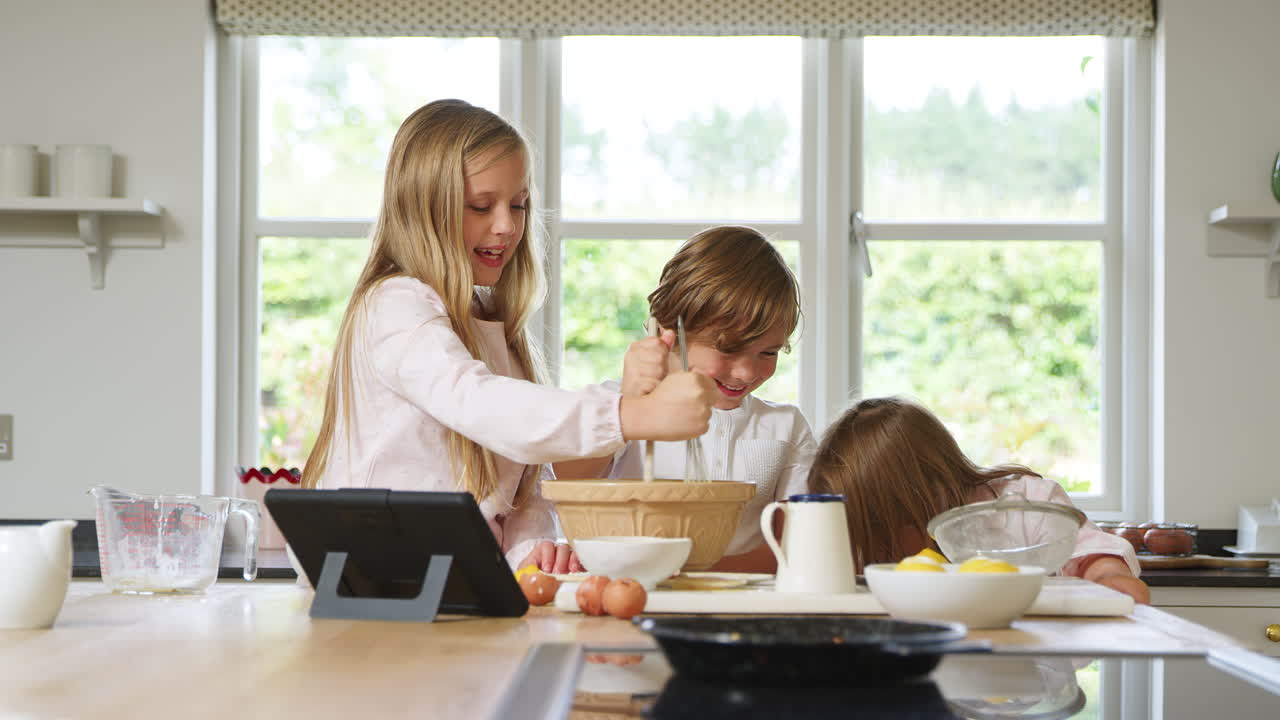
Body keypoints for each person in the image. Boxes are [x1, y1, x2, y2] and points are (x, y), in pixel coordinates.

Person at [301, 99, 717, 574]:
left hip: (454, 582)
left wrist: (529, 558)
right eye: (481, 206)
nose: (507, 226)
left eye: (518, 205)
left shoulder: (490, 324)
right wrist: (631, 415)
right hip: (377, 575)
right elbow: (484, 406)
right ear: (422, 209)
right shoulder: (395, 307)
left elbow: (516, 494)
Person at [553, 226, 816, 573]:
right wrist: (631, 405)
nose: (745, 372)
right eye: (728, 348)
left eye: (767, 352)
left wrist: (682, 573)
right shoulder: (616, 407)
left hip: (746, 607)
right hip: (632, 604)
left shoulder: (786, 427)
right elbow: (564, 482)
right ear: (669, 330)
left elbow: (794, 548)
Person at [808, 396, 1150, 604]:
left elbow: (1087, 551)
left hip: (1027, 661)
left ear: (930, 491)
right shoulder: (851, 546)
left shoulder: (1024, 503)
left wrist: (1107, 576)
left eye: (884, 524)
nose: (883, 544)